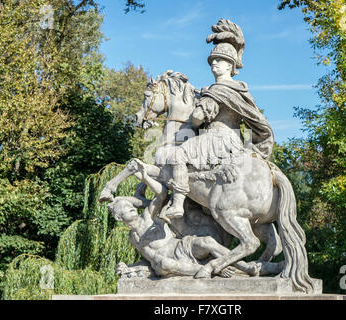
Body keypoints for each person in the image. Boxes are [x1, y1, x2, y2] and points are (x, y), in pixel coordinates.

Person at [164, 42, 274, 220]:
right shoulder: (241, 90)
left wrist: (199, 106)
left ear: (230, 65)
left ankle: (177, 204)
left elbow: (198, 118)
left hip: (217, 138)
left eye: (219, 60)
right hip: (235, 141)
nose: (214, 63)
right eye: (212, 61)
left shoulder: (218, 90)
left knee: (177, 156)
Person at [107, 159, 257, 278]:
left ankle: (244, 266)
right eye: (126, 209)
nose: (131, 208)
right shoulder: (133, 237)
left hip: (180, 247)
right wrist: (130, 268)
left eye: (130, 205)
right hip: (167, 263)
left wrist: (146, 177)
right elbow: (151, 259)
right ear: (119, 217)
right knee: (161, 263)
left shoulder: (147, 215)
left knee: (207, 241)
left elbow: (161, 195)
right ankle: (211, 269)